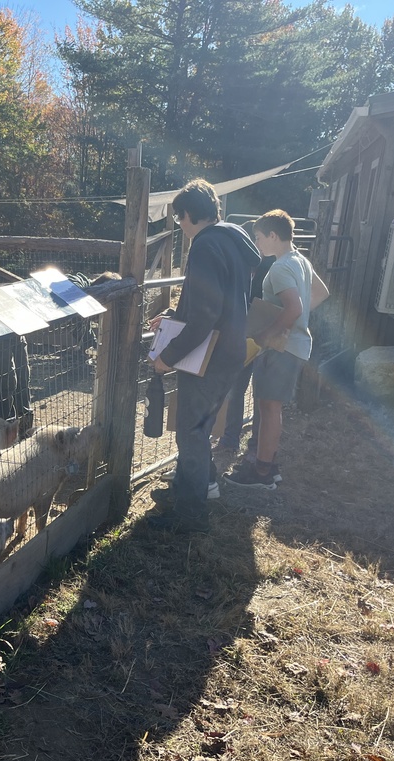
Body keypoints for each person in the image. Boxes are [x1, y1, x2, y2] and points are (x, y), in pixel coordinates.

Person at [148, 179, 260, 533]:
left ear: (189, 214)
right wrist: (176, 316)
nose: (180, 225)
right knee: (202, 425)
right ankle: (192, 487)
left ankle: (190, 515)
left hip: (207, 354)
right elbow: (220, 302)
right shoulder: (233, 241)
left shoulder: (205, 246)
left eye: (180, 218)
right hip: (232, 349)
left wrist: (170, 353)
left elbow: (208, 310)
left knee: (191, 431)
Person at [223, 209, 313, 490]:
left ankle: (261, 473)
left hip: (281, 347)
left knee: (269, 408)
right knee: (268, 406)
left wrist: (266, 333)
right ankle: (267, 466)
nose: (257, 244)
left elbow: (295, 308)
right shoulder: (300, 261)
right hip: (292, 345)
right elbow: (316, 295)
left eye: (260, 238)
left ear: (273, 235)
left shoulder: (281, 267)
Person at [215, 240, 277, 454]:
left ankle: (253, 444)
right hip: (246, 333)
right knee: (236, 388)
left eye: (259, 239)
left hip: (263, 332)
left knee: (257, 392)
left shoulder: (272, 267)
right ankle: (231, 438)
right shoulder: (242, 266)